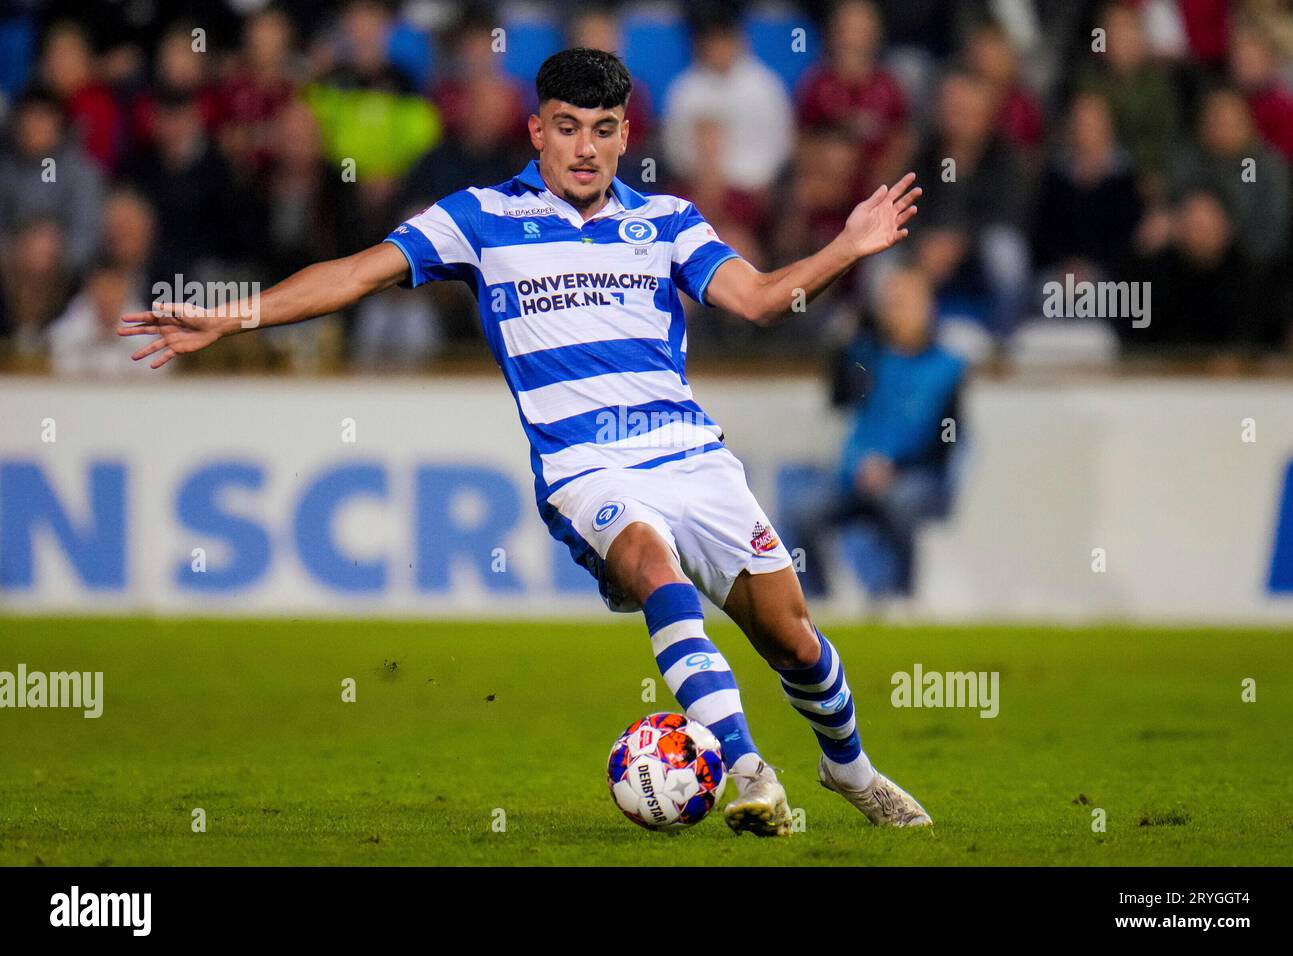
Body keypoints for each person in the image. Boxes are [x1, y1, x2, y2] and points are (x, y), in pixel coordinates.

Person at [119, 48, 931, 833]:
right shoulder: (480, 218)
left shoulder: (668, 221)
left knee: (794, 639)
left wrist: (848, 248)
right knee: (654, 567)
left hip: (692, 456)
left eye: (604, 128)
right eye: (568, 126)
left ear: (625, 135)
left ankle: (849, 771)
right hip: (585, 464)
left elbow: (755, 299)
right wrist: (235, 314)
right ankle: (748, 770)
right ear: (537, 130)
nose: (586, 147)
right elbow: (358, 273)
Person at [786, 268, 963, 599]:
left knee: (901, 502)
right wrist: (843, 339)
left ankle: (900, 597)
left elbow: (947, 441)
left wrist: (894, 468)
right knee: (802, 510)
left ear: (928, 307)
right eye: (890, 303)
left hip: (916, 477)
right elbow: (839, 397)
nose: (895, 312)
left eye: (904, 303)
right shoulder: (868, 356)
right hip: (856, 476)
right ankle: (822, 601)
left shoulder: (947, 367)